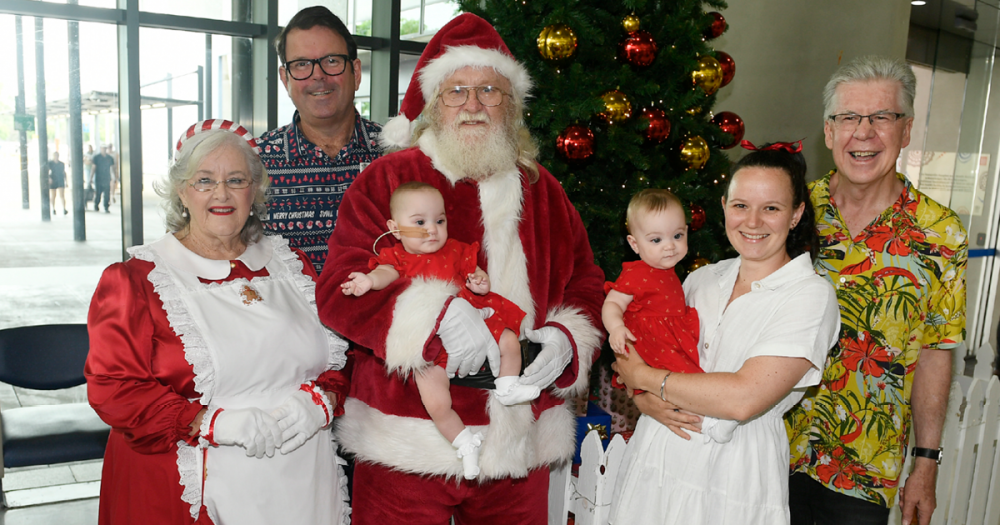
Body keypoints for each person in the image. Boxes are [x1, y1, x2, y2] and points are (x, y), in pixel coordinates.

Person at [317, 13, 605, 524]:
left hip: (519, 443)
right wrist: (433, 317)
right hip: (409, 437)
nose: (473, 105)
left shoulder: (544, 190)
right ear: (432, 104)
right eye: (456, 92)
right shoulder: (388, 179)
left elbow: (585, 280)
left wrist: (566, 338)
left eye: (489, 91)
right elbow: (340, 293)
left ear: (510, 105)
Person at [85, 120, 351, 525]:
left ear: (255, 190)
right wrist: (211, 422)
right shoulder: (136, 280)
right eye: (204, 180)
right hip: (183, 491)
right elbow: (114, 390)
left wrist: (322, 402)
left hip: (301, 488)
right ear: (181, 190)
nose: (221, 194)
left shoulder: (291, 263)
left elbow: (336, 357)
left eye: (236, 179)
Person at [608, 141, 841, 525]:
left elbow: (743, 399)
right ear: (723, 207)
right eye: (740, 205)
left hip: (735, 472)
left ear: (796, 214)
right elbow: (640, 346)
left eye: (771, 208)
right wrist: (643, 398)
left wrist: (645, 379)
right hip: (659, 455)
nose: (753, 222)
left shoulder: (810, 297)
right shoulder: (701, 279)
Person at [785, 56, 968, 525]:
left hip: (863, 473)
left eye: (881, 117)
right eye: (848, 117)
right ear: (829, 131)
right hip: (768, 449)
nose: (863, 133)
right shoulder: (787, 214)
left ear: (905, 131)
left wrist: (925, 462)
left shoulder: (940, 234)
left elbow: (935, 353)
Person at [341, 182, 542, 479]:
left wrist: (480, 283)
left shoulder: (456, 250)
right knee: (435, 400)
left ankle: (508, 385)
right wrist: (368, 281)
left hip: (474, 322)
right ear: (395, 229)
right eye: (420, 222)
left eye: (440, 221)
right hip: (432, 341)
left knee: (510, 339)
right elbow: (385, 274)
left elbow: (476, 274)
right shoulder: (397, 257)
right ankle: (464, 443)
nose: (432, 230)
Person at [601, 188, 738, 443]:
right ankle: (712, 421)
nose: (670, 246)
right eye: (656, 240)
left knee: (686, 379)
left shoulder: (675, 273)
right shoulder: (636, 273)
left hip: (671, 336)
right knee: (686, 379)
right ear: (634, 244)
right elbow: (612, 304)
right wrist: (616, 328)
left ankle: (705, 418)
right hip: (653, 341)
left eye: (677, 235)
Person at [258, 5, 382, 273]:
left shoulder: (398, 154)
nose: (318, 75)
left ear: (355, 72)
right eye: (301, 64)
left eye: (332, 60)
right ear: (285, 79)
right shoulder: (255, 162)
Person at [90, 145, 115, 213]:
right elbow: (93, 168)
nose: (103, 150)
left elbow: (112, 168)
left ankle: (106, 206)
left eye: (104, 148)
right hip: (98, 178)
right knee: (98, 192)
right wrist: (91, 177)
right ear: (100, 149)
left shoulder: (110, 158)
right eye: (102, 148)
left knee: (107, 193)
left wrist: (114, 177)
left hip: (107, 178)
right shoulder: (96, 158)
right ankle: (96, 205)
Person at [46, 151, 68, 215]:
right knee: (53, 195)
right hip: (53, 179)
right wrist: (49, 178)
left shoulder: (61, 164)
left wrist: (66, 181)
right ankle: (53, 208)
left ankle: (64, 208)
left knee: (62, 195)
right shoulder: (50, 163)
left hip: (60, 179)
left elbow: (64, 172)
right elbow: (47, 171)